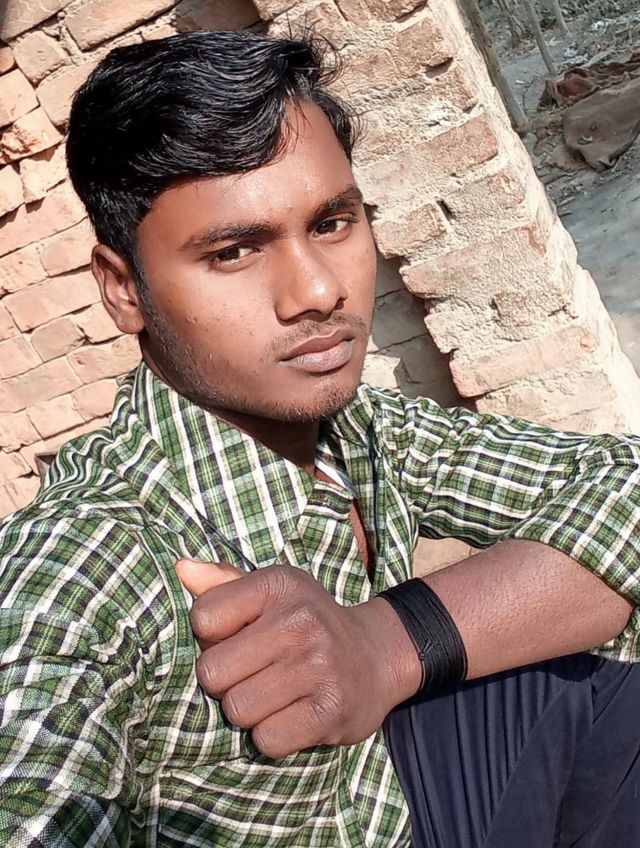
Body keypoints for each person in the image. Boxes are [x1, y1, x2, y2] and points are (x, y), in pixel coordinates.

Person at [0, 29, 639, 848]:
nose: (316, 291)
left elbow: (624, 481)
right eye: (234, 251)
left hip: (401, 794)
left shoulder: (358, 430)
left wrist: (386, 643)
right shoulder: (88, 564)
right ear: (124, 289)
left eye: (333, 221)